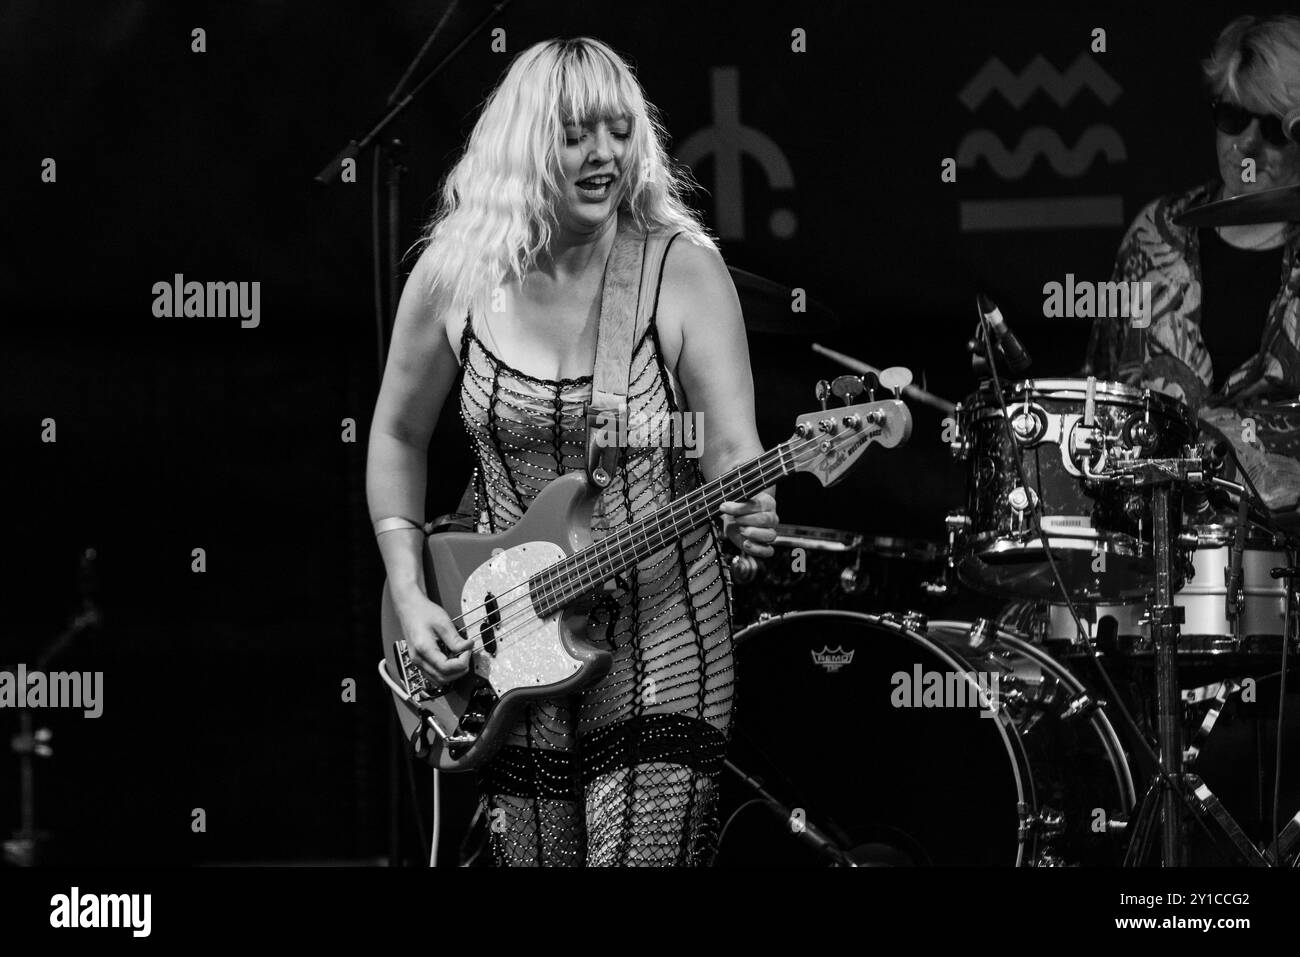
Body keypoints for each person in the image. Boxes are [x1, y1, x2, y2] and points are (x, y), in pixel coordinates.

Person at [365, 36, 778, 866]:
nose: (605, 155)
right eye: (577, 134)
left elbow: (734, 449)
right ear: (523, 145)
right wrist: (410, 595)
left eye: (620, 131)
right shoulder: (456, 274)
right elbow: (398, 434)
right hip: (507, 638)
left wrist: (750, 505)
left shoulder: (680, 270)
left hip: (664, 631)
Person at [1085, 13, 1300, 510]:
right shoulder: (1153, 235)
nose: (1245, 144)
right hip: (1166, 543)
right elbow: (1100, 392)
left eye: (1272, 128)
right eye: (1231, 118)